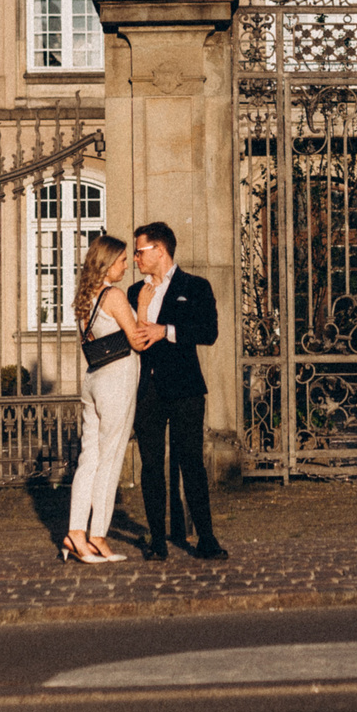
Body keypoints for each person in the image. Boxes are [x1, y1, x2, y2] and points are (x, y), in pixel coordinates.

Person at [125, 220, 227, 560]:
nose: (136, 258)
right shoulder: (132, 292)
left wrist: (165, 330)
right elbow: (134, 340)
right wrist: (141, 315)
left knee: (191, 462)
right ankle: (156, 540)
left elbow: (208, 331)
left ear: (160, 250)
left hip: (184, 388)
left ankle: (206, 538)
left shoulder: (195, 286)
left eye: (140, 251)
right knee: (151, 465)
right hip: (148, 389)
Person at [61, 233, 147, 565]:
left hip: (93, 379)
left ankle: (76, 533)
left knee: (89, 459)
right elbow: (137, 341)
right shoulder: (114, 295)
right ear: (108, 263)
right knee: (110, 460)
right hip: (116, 379)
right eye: (123, 260)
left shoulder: (86, 297)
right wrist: (142, 308)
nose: (127, 266)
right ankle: (97, 534)